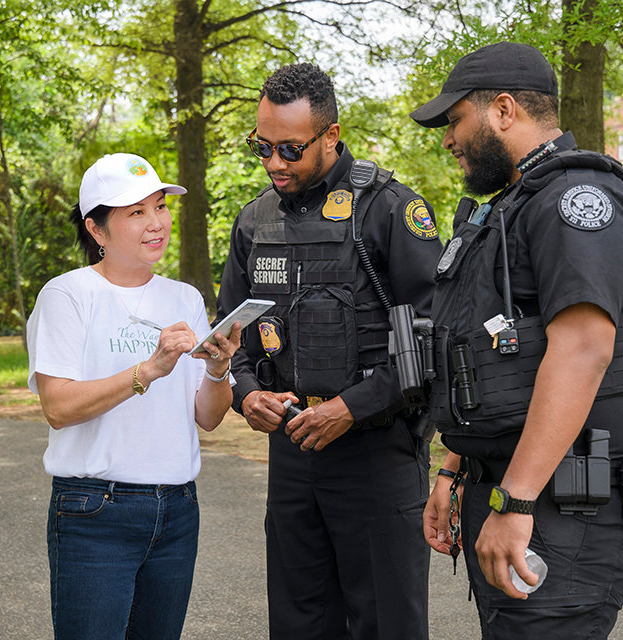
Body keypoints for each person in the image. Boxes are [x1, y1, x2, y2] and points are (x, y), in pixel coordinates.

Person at [410, 42, 623, 638]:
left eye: (455, 121)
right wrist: (455, 469)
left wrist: (515, 501)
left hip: (567, 494)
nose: (448, 139)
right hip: (519, 481)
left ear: (503, 110)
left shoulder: (574, 200)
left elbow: (584, 348)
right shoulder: (517, 205)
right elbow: (499, 359)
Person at [216, 63, 443, 639]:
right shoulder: (254, 222)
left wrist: (352, 407)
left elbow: (434, 336)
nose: (273, 163)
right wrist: (248, 396)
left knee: (384, 624)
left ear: (331, 137)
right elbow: (231, 337)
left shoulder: (388, 210)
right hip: (294, 457)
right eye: (261, 147)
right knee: (299, 622)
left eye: (289, 149)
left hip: (376, 453)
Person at [26, 153, 241, 640]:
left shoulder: (184, 297)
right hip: (94, 512)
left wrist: (218, 367)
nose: (156, 223)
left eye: (160, 206)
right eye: (136, 212)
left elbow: (207, 418)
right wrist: (147, 370)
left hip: (177, 511)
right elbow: (58, 407)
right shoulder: (66, 295)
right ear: (97, 230)